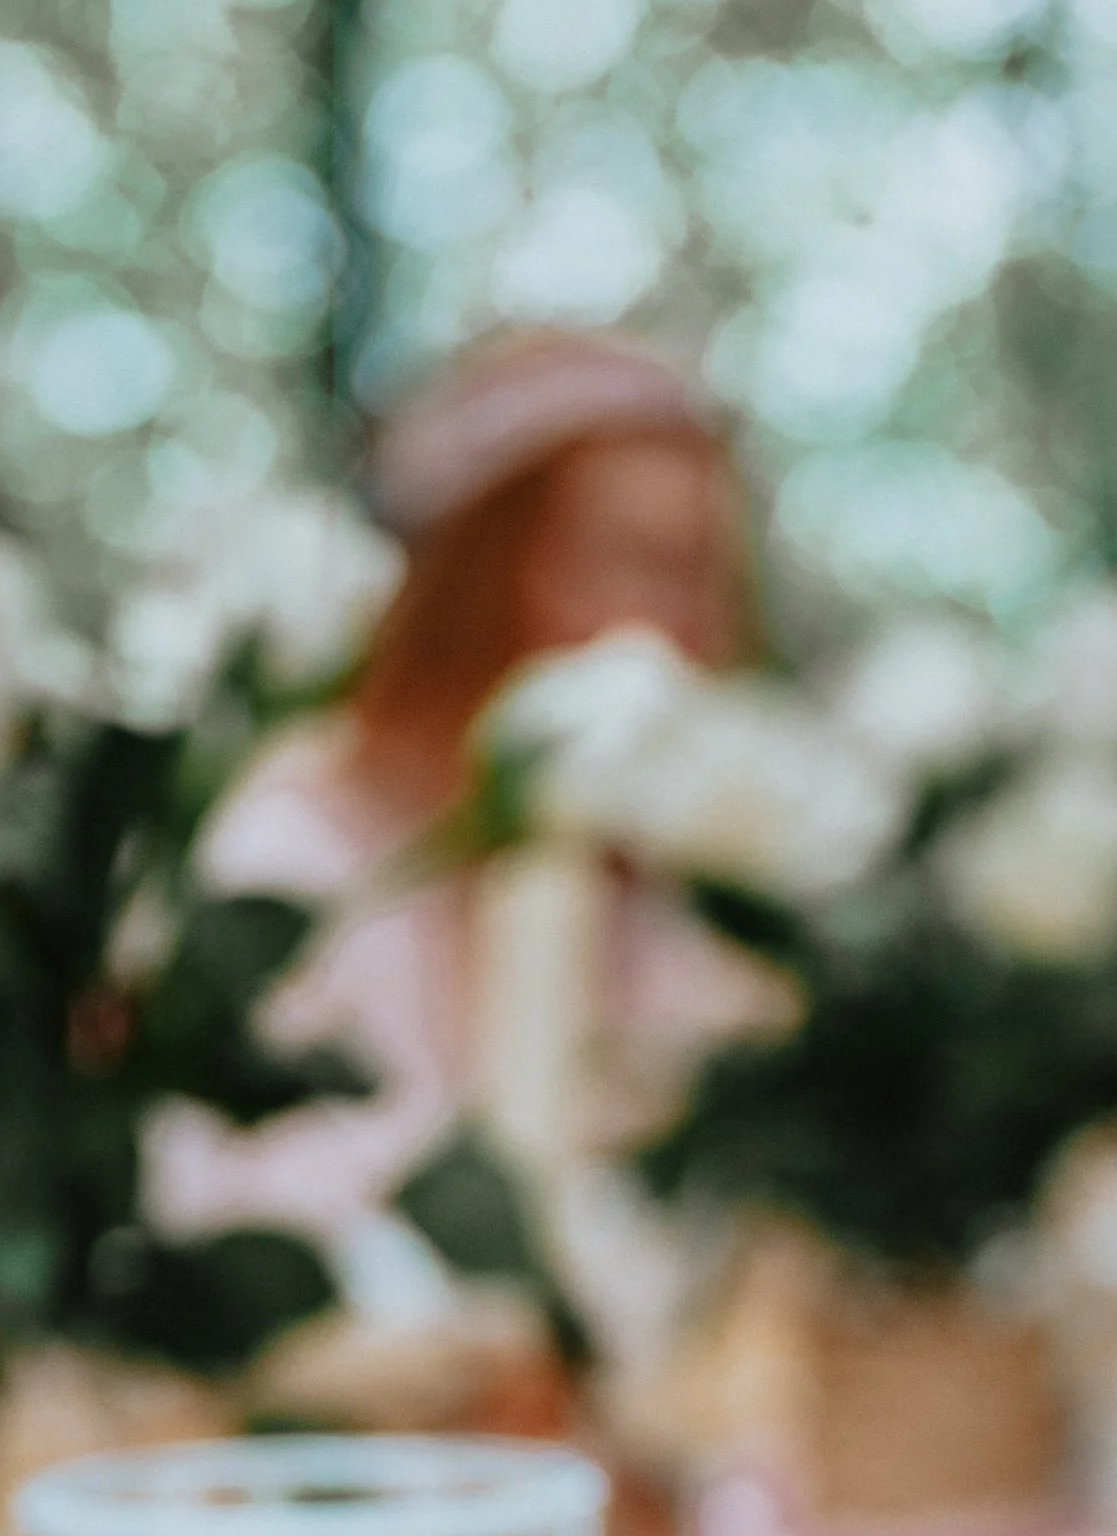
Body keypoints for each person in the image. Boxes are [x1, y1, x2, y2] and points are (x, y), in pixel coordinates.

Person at [149, 330, 776, 1373]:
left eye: (704, 579)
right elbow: (235, 1237)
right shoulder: (297, 854)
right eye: (640, 567)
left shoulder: (644, 883)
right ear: (480, 569)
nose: (679, 633)